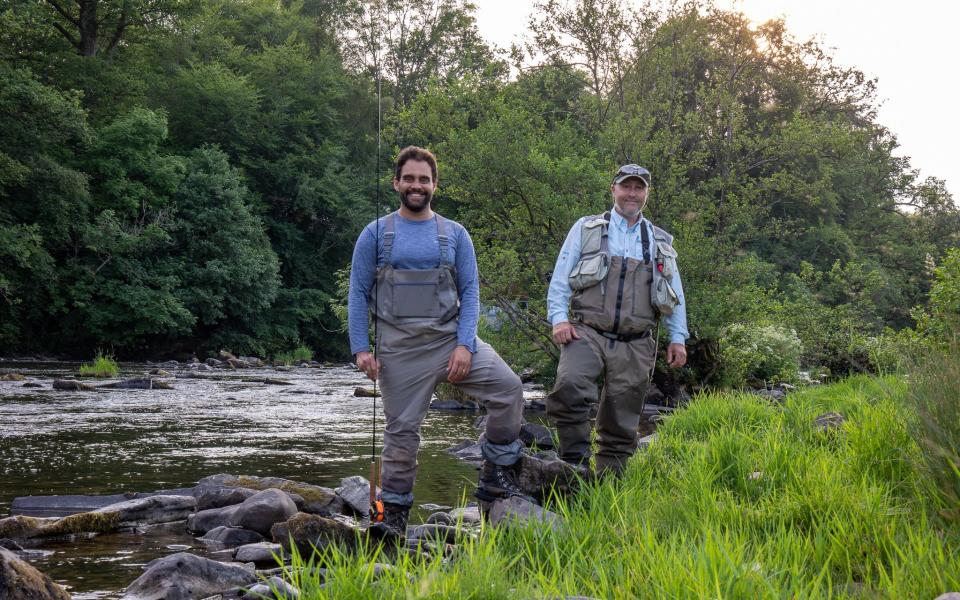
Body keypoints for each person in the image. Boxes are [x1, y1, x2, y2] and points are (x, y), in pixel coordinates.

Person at [348, 146, 531, 539]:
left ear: (435, 185)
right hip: (400, 350)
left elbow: (471, 293)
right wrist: (361, 349)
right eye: (409, 178)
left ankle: (495, 473)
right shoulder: (374, 234)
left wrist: (465, 345)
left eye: (424, 179)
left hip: (451, 341)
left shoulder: (456, 234)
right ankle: (393, 517)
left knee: (509, 389)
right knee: (401, 434)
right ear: (396, 182)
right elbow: (358, 293)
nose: (417, 186)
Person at [546, 164, 689, 477]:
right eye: (627, 187)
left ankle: (608, 486)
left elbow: (674, 293)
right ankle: (575, 469)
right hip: (587, 332)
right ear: (614, 189)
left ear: (646, 193)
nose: (632, 194)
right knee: (569, 386)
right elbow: (560, 279)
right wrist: (558, 318)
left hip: (637, 342)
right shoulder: (586, 229)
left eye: (639, 188)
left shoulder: (661, 241)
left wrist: (678, 337)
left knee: (622, 420)